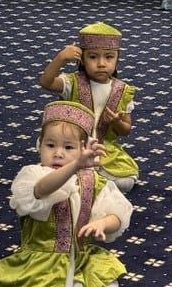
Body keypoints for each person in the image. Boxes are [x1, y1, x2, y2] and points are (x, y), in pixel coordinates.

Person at [0, 101, 132, 287]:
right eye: (50, 145)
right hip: (41, 261)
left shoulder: (92, 180)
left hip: (81, 258)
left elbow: (117, 214)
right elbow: (42, 190)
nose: (58, 153)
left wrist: (102, 223)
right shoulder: (33, 175)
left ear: (83, 149)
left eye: (69, 147)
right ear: (39, 145)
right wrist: (75, 166)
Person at [38, 22, 138, 190]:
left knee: (126, 182)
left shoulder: (123, 90)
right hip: (71, 146)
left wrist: (116, 122)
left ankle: (87, 181)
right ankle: (87, 180)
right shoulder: (72, 83)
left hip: (105, 150)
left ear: (117, 59)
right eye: (92, 57)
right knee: (56, 170)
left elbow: (126, 130)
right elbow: (45, 82)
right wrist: (61, 58)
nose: (101, 63)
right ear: (82, 59)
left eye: (109, 57)